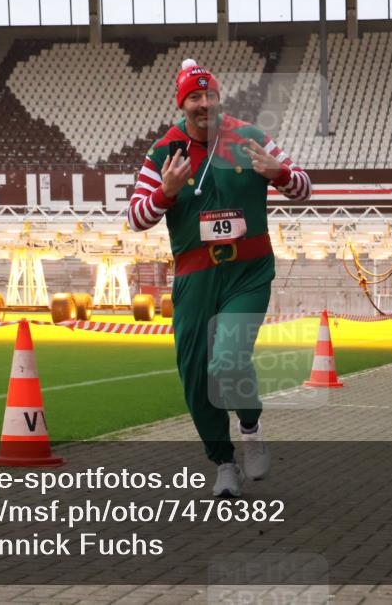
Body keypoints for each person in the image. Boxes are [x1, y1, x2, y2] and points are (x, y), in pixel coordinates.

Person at [127, 58, 312, 497]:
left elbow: (305, 185)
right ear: (182, 103)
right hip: (194, 278)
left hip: (247, 272)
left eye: (210, 95)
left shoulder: (249, 137)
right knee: (194, 376)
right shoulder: (163, 151)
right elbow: (136, 217)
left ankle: (250, 426)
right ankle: (223, 463)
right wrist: (166, 192)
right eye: (195, 96)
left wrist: (279, 173)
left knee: (226, 358)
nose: (204, 103)